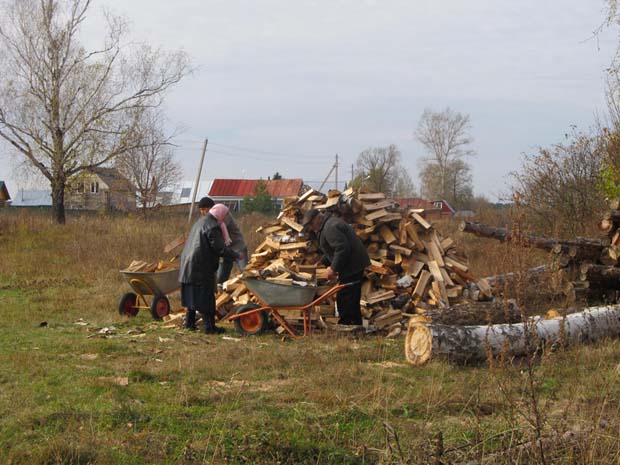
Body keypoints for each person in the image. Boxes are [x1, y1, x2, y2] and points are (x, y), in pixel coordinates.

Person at [178, 200, 239, 334]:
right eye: (225, 215)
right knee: (206, 298)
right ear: (220, 214)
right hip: (200, 267)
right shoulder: (213, 226)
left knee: (192, 296)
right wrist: (235, 255)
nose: (226, 217)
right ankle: (209, 328)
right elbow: (220, 248)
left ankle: (189, 323)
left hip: (188, 264)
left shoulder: (200, 222)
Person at [302, 208, 370, 326]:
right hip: (352, 264)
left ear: (317, 218)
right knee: (350, 296)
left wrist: (333, 268)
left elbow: (342, 249)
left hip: (352, 265)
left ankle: (348, 325)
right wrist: (322, 261)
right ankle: (354, 324)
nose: (312, 229)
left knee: (346, 297)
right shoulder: (328, 224)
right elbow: (332, 249)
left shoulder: (330, 227)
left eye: (311, 225)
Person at [194, 197, 248, 284]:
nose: (202, 212)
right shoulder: (210, 220)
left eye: (203, 209)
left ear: (210, 208)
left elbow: (215, 232)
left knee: (246, 273)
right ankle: (221, 291)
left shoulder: (223, 214)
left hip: (238, 247)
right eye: (201, 210)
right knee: (222, 277)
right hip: (225, 250)